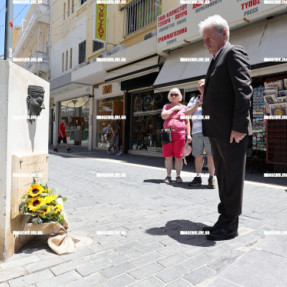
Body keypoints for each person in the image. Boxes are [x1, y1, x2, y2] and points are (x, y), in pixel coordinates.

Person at [199, 15, 253, 240]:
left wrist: (240, 126)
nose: (206, 42)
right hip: (217, 131)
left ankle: (230, 226)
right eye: (203, 39)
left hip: (232, 132)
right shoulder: (215, 59)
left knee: (231, 178)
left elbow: (244, 90)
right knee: (223, 176)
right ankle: (224, 218)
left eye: (209, 37)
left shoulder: (233, 52)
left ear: (224, 33)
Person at [185, 79, 215, 188]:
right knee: (198, 156)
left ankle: (211, 178)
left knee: (211, 155)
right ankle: (198, 177)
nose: (203, 88)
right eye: (201, 86)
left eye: (205, 86)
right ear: (198, 88)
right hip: (197, 131)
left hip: (210, 131)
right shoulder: (193, 99)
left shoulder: (212, 97)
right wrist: (196, 106)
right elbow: (186, 114)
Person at [161, 88, 192, 183]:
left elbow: (187, 122)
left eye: (176, 94)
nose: (174, 96)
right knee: (168, 156)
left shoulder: (184, 107)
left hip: (180, 134)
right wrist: (173, 109)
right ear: (169, 96)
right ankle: (168, 176)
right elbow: (163, 116)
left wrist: (189, 135)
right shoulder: (166, 106)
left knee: (179, 156)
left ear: (180, 96)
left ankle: (178, 176)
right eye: (172, 94)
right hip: (167, 133)